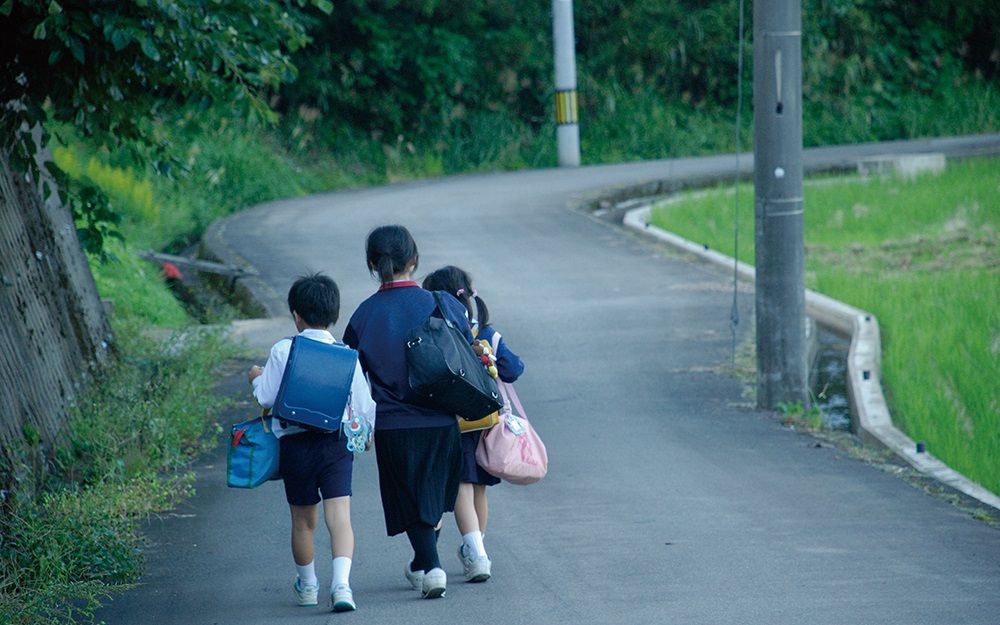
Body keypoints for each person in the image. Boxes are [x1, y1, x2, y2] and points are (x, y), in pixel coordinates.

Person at [342, 225, 467, 599]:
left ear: (371, 263)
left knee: (411, 497)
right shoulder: (442, 303)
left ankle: (430, 567)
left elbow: (351, 375)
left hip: (394, 426)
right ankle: (424, 563)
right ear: (415, 260)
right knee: (432, 497)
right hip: (444, 419)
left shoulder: (363, 316)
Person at [248, 273, 375, 612]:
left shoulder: (283, 349)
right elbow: (363, 408)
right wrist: (365, 438)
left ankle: (307, 586)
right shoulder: (348, 355)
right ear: (334, 314)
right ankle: (342, 585)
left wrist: (256, 379)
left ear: (296, 315)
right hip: (335, 445)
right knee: (340, 518)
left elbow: (267, 397)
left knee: (303, 521)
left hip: (295, 446)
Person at [422, 266, 524, 583]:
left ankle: (475, 554)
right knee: (478, 490)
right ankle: (475, 548)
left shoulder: (438, 332)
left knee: (459, 487)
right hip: (483, 424)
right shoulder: (486, 333)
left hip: (452, 422)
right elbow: (514, 368)